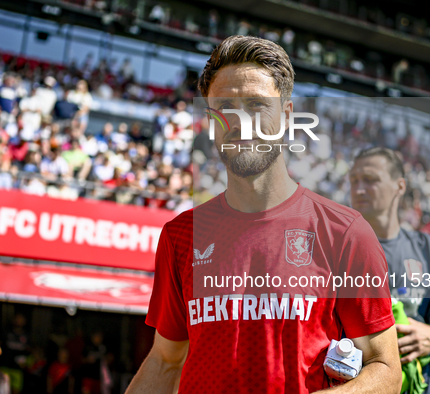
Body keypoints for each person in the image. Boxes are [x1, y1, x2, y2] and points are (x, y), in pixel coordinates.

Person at [125, 35, 401, 393]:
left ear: (286, 116)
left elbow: (385, 369)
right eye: (225, 107)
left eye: (257, 105)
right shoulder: (181, 235)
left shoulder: (344, 233)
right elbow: (165, 359)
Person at [349, 147, 430, 394]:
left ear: (400, 186)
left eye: (370, 180)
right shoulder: (335, 252)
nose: (358, 189)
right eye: (354, 180)